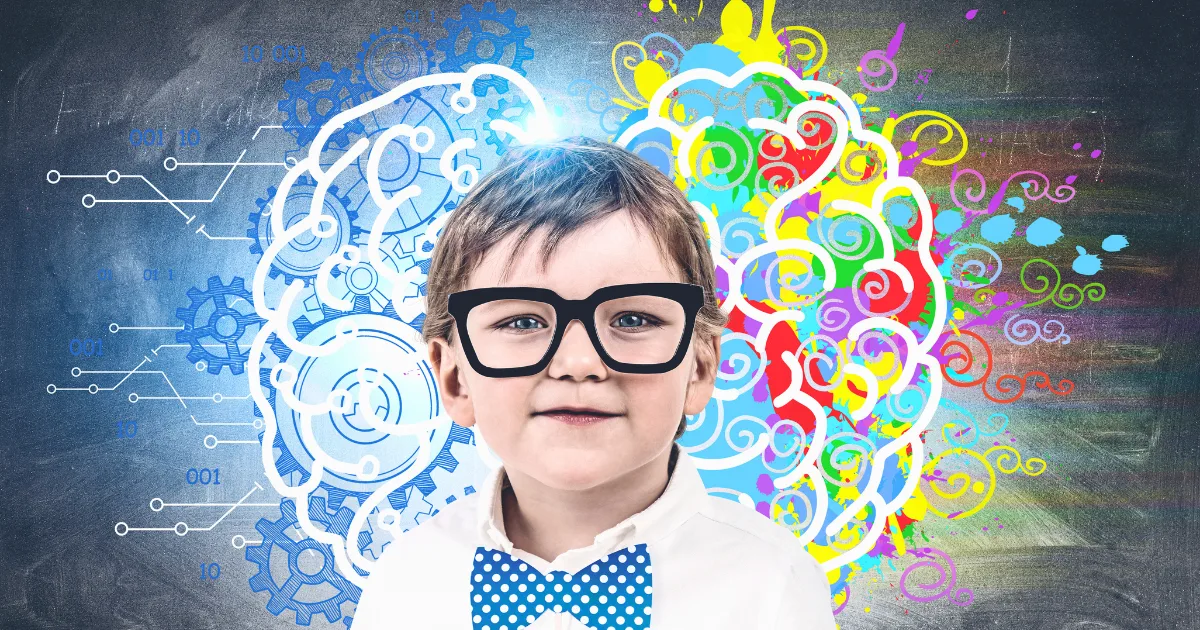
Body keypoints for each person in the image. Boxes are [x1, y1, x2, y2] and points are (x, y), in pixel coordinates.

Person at [352, 137, 836, 629]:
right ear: (454, 378)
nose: (579, 363)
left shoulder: (773, 583)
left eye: (632, 318)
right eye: (522, 322)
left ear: (701, 367)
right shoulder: (405, 581)